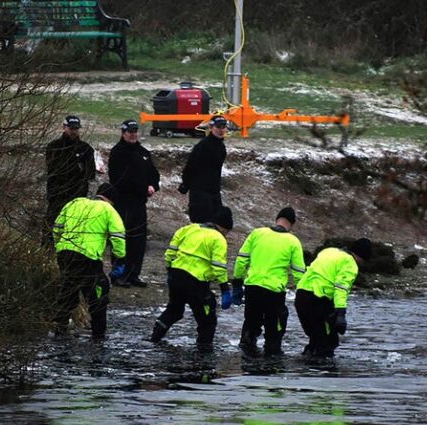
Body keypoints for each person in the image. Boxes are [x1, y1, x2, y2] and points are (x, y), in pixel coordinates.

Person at [151, 207, 234, 350]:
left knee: (174, 310)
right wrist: (225, 288)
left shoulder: (188, 229)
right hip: (196, 283)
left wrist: (170, 270)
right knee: (207, 320)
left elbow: (170, 252)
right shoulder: (218, 238)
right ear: (224, 228)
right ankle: (203, 353)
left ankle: (154, 338)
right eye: (227, 232)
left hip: (176, 276)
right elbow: (218, 266)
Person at [52, 183, 126, 338]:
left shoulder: (74, 203)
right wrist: (120, 257)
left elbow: (57, 227)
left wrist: (59, 245)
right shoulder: (108, 210)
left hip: (65, 253)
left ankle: (59, 328)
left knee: (68, 288)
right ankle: (98, 334)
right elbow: (118, 237)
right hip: (88, 257)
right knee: (98, 292)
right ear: (111, 200)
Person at [233, 206, 306, 356]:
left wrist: (237, 282)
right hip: (274, 292)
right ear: (292, 224)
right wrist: (302, 292)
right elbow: (298, 272)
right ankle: (271, 365)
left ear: (277, 219)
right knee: (274, 331)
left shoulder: (257, 233)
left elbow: (241, 260)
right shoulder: (293, 241)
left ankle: (246, 362)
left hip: (252, 286)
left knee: (251, 325)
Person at [294, 238, 372, 358]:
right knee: (328, 342)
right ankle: (324, 373)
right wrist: (341, 314)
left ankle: (306, 368)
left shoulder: (328, 251)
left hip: (300, 296)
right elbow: (341, 289)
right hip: (317, 299)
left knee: (316, 338)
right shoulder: (350, 264)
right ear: (362, 257)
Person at [108, 119, 160, 287]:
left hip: (139, 203)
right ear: (123, 133)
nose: (133, 134)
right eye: (130, 131)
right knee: (122, 238)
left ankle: (133, 274)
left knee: (139, 241)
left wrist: (152, 185)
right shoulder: (117, 152)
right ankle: (118, 274)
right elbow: (119, 179)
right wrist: (142, 188)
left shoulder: (143, 152)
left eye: (135, 131)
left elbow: (154, 173)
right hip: (123, 202)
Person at [45, 115, 96, 245]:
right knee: (51, 227)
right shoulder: (54, 147)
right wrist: (75, 168)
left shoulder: (86, 149)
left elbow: (90, 174)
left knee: (74, 229)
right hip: (57, 195)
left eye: (76, 129)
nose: (74, 131)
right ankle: (46, 254)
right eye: (71, 128)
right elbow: (54, 171)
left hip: (77, 197)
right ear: (64, 127)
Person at [178, 115, 227, 223]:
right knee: (201, 222)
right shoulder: (203, 145)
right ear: (211, 127)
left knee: (215, 222)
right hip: (200, 192)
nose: (221, 130)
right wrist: (185, 184)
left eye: (223, 127)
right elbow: (190, 166)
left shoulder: (221, 147)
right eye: (218, 127)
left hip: (214, 191)